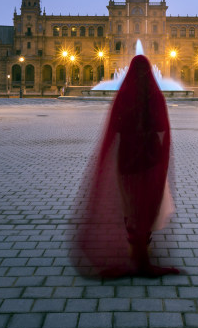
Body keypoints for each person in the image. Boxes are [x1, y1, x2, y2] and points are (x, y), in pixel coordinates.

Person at [71, 54, 180, 278]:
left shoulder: (123, 96)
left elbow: (115, 129)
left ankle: (131, 241)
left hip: (127, 156)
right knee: (149, 198)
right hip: (150, 156)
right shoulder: (155, 96)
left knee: (129, 199)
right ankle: (144, 242)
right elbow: (161, 126)